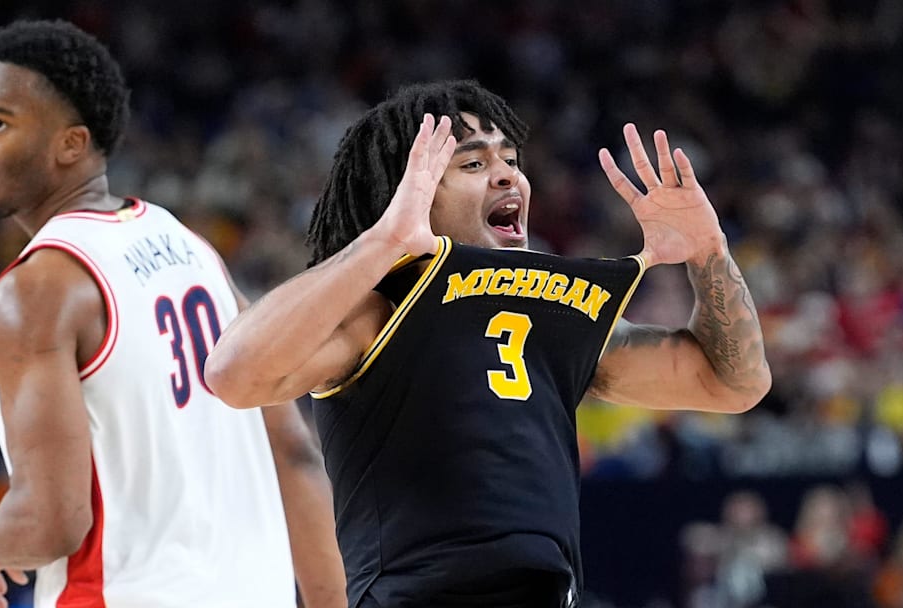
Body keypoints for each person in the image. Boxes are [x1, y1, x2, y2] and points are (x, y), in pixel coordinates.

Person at [205, 80, 772, 607]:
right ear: (409, 191)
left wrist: (708, 253)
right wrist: (384, 240)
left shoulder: (554, 316)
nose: (507, 176)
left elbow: (732, 382)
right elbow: (234, 373)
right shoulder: (374, 311)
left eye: (510, 159)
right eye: (474, 163)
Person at [0, 19, 345, 608]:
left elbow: (52, 521)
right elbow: (295, 453)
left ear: (71, 145)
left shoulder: (34, 293)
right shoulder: (189, 246)